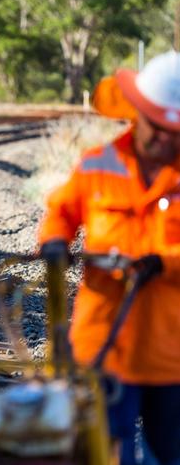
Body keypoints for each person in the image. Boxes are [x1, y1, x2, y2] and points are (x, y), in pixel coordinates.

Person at [39, 51, 180, 465]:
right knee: (105, 451)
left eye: (174, 132)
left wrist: (165, 262)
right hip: (104, 342)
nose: (163, 140)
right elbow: (60, 212)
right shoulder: (98, 164)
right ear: (138, 115)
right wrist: (54, 241)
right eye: (156, 128)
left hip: (169, 352)